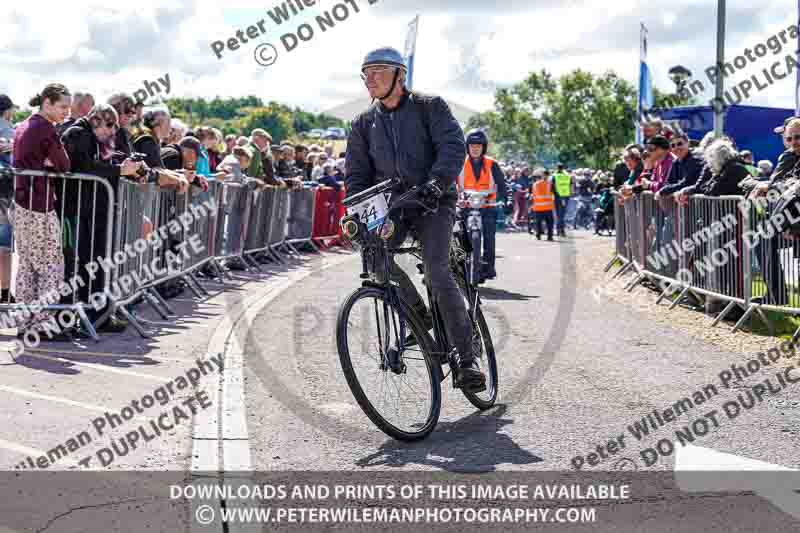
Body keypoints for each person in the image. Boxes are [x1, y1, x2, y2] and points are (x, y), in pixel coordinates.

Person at [345, 46, 484, 392]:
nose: (370, 78)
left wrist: (437, 182)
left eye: (378, 70)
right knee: (377, 261)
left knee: (437, 271)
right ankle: (421, 324)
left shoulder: (429, 106)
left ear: (400, 75)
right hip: (394, 207)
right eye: (366, 72)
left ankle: (467, 360)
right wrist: (358, 210)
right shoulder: (363, 123)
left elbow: (453, 147)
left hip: (433, 202)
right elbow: (357, 176)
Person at [61, 103, 145, 330]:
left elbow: (99, 162)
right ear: (95, 119)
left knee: (97, 263)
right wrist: (120, 170)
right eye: (108, 125)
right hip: (78, 210)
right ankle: (90, 317)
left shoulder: (90, 136)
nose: (110, 132)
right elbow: (85, 167)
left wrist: (126, 165)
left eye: (114, 127)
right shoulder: (78, 133)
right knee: (84, 265)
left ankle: (99, 315)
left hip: (92, 210)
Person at [13, 83, 73, 339]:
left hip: (21, 204)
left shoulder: (23, 125)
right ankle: (44, 325)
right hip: (39, 204)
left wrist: (49, 164)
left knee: (27, 265)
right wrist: (49, 165)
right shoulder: (45, 127)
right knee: (50, 265)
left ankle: (25, 323)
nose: (66, 113)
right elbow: (64, 164)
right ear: (47, 103)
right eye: (62, 107)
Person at [459, 129, 507, 281]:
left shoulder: (492, 164)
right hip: (466, 208)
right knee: (462, 240)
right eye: (472, 145)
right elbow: (450, 184)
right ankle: (463, 268)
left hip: (487, 208)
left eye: (478, 145)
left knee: (489, 240)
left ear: (483, 147)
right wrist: (454, 198)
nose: (475, 148)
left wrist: (508, 199)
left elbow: (502, 185)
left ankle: (488, 268)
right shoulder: (460, 163)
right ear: (467, 147)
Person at [529, 168, 555, 241]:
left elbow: (532, 194)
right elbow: (554, 193)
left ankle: (538, 235)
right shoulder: (550, 184)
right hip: (548, 207)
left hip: (538, 207)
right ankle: (550, 236)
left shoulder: (535, 184)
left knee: (538, 222)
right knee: (550, 223)